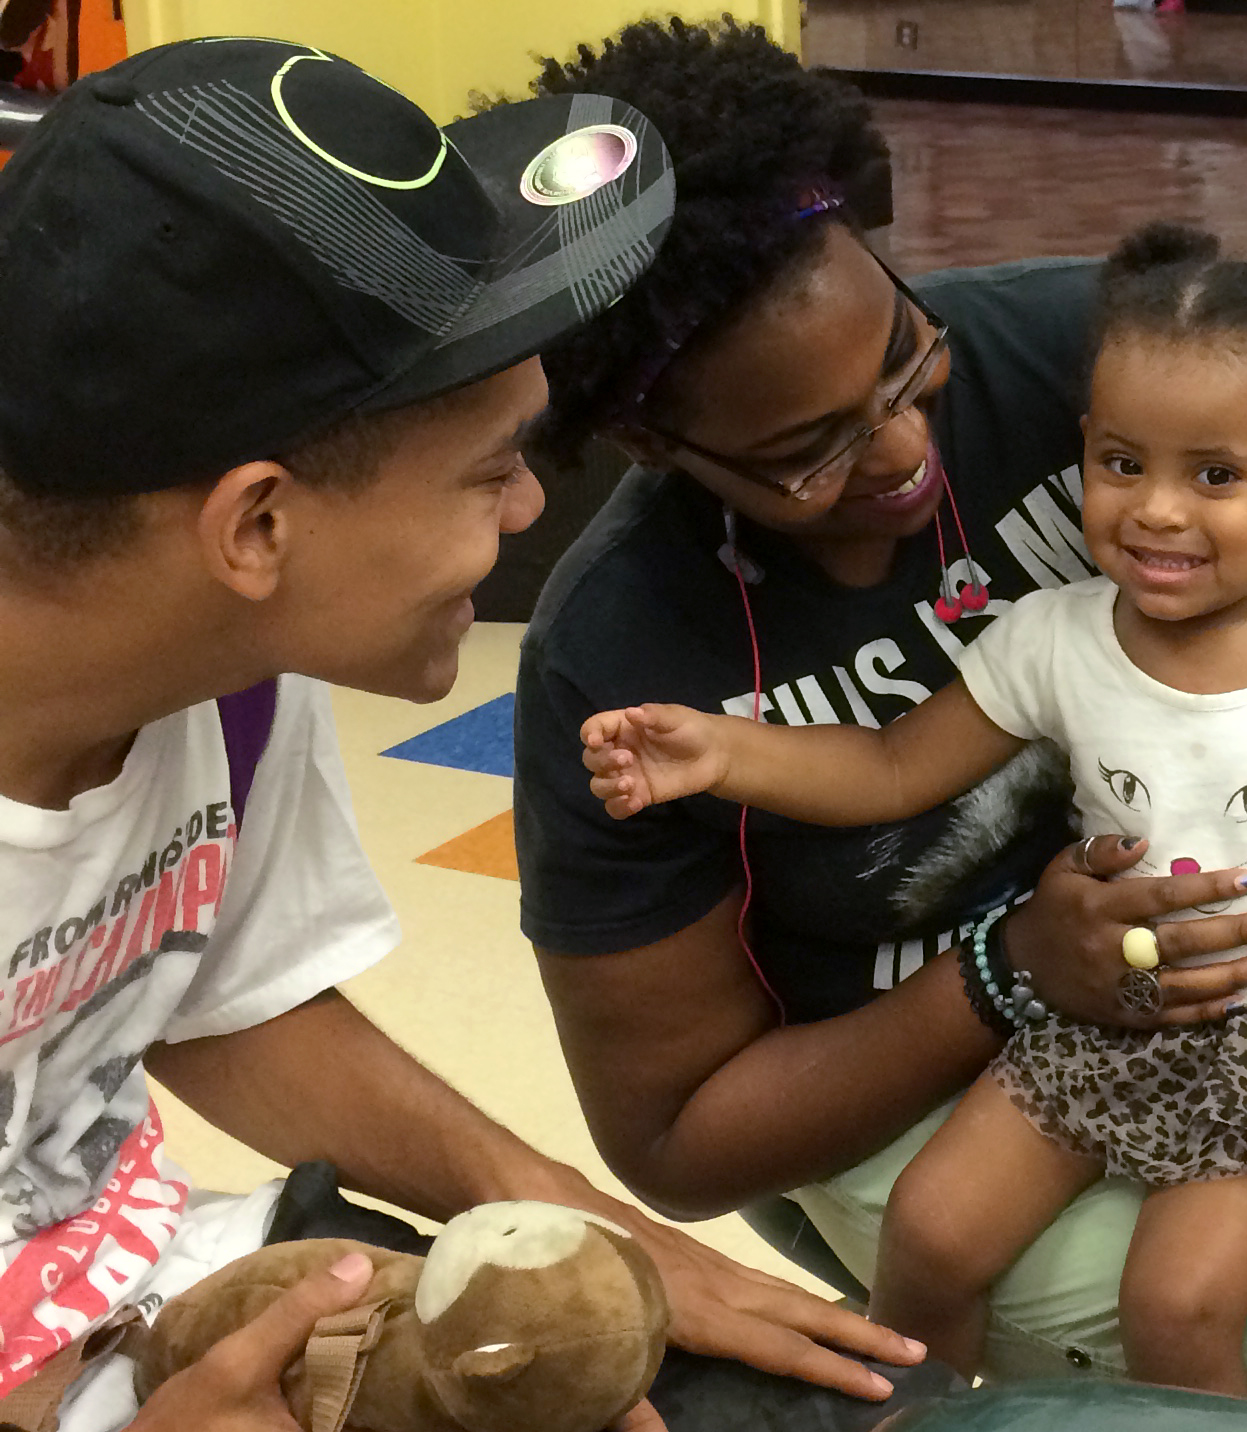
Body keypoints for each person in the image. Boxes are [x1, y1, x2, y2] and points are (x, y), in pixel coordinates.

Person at [512, 18, 1247, 1429]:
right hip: (931, 1071)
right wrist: (1012, 971)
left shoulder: (1113, 370)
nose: (908, 453)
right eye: (810, 452)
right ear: (654, 442)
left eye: (904, 360)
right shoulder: (618, 649)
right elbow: (678, 1139)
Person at [0, 37, 927, 1432]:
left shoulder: (233, 661)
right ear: (257, 524)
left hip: (157, 1287)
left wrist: (575, 1224)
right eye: (493, 472)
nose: (520, 521)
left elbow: (217, 994)